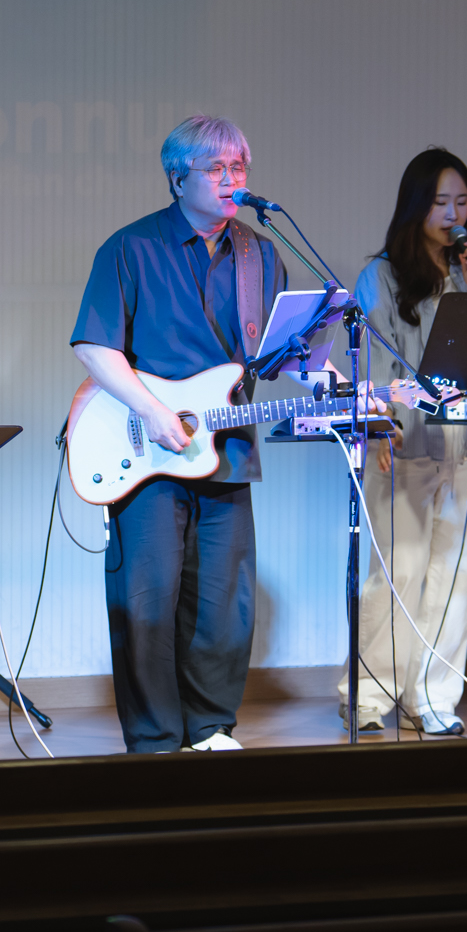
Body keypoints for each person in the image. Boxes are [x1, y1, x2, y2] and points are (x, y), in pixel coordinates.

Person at [73, 116, 327, 754]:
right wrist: (152, 410)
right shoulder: (130, 248)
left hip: (227, 447)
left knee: (223, 604)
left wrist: (335, 381)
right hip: (145, 449)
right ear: (177, 177)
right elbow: (94, 345)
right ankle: (155, 742)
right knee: (147, 602)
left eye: (238, 167)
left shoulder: (259, 254)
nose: (231, 180)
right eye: (216, 169)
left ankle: (211, 731)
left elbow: (278, 355)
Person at [338, 147, 467, 737]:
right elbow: (373, 364)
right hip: (403, 442)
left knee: (456, 575)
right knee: (398, 573)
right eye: (440, 202)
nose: (454, 214)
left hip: (466, 447)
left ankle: (432, 698)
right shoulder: (381, 276)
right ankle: (367, 696)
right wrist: (380, 426)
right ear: (416, 206)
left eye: (462, 202)